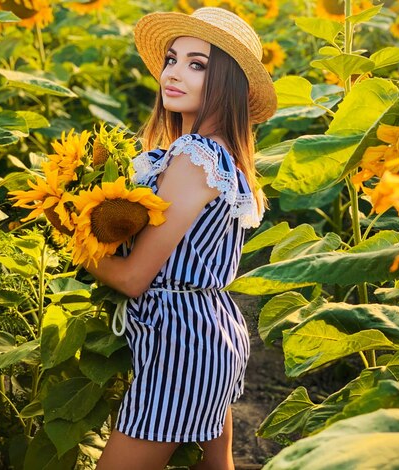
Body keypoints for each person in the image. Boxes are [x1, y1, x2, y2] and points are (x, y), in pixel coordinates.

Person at [84, 7, 277, 470]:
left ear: (228, 83)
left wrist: (72, 240)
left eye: (197, 64)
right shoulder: (206, 153)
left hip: (182, 343)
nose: (173, 73)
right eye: (172, 59)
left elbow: (133, 279)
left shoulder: (197, 156)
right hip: (202, 331)